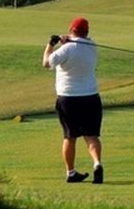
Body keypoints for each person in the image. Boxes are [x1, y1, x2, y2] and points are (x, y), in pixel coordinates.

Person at [42, 16, 104, 184]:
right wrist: (67, 41)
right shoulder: (92, 45)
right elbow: (79, 43)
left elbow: (46, 63)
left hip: (68, 98)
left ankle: (71, 172)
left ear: (71, 30)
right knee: (92, 136)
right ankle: (97, 163)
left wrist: (51, 44)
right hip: (91, 97)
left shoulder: (66, 49)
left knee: (70, 137)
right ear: (87, 31)